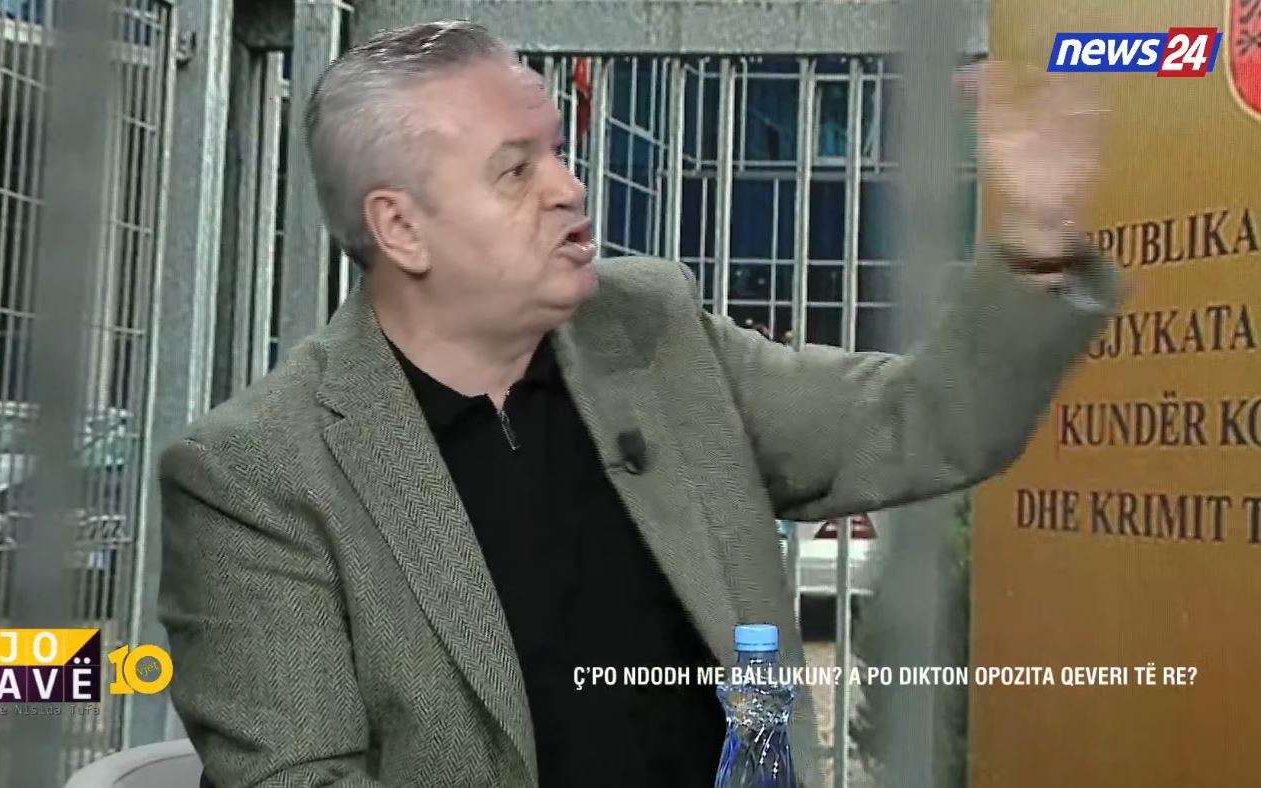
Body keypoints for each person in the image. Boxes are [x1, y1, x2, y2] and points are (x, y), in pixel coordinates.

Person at [157, 21, 1119, 788]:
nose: (569, 189)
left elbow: (923, 421)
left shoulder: (652, 331)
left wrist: (1037, 246)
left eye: (558, 153)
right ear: (400, 227)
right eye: (516, 170)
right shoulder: (257, 475)